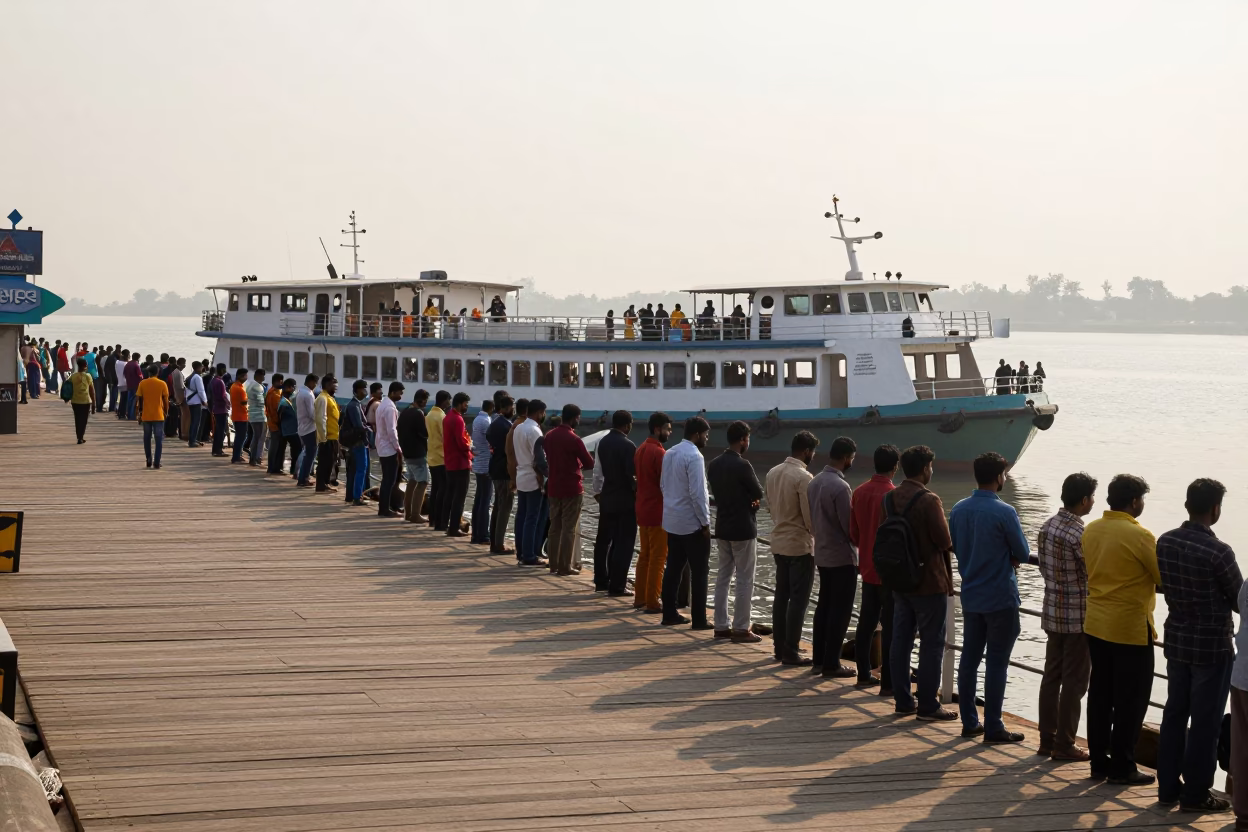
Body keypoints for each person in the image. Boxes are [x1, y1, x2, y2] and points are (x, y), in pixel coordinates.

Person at [1156, 478, 1242, 812]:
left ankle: (1167, 787)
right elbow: (1239, 599)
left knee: (1174, 714)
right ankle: (1195, 794)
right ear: (1215, 509)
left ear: (1187, 505)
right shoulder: (1219, 552)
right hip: (1212, 647)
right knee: (1206, 722)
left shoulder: (1165, 541)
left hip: (1177, 641)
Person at [1082, 473, 1159, 786]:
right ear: (1135, 501)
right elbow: (1161, 576)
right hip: (1129, 627)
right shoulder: (1140, 535)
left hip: (1096, 622)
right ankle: (1123, 766)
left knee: (1100, 695)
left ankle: (1098, 762)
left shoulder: (1091, 529)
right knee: (1131, 700)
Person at [948, 452, 1030, 743]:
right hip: (1000, 597)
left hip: (971, 595)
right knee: (997, 662)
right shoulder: (1004, 512)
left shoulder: (959, 509)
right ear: (998, 476)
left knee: (969, 660)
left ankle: (970, 721)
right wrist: (1010, 556)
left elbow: (957, 546)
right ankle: (994, 725)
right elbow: (1022, 552)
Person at [888, 445, 958, 722]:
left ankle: (903, 700)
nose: (932, 471)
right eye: (930, 466)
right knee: (931, 644)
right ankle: (928, 705)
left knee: (901, 640)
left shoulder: (890, 498)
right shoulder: (929, 500)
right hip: (929, 581)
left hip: (900, 579)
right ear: (925, 468)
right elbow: (945, 540)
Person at [1035, 472, 1097, 762]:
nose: (1093, 502)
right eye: (1092, 497)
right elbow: (1091, 573)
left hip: (1052, 610)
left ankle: (1046, 739)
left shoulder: (1047, 527)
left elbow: (1043, 568)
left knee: (1051, 676)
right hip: (1078, 617)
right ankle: (1065, 743)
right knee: (1075, 681)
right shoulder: (1080, 534)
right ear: (1084, 500)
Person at [765, 431, 819, 664]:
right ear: (806, 451)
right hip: (798, 544)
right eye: (813, 452)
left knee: (781, 596)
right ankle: (791, 650)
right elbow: (809, 518)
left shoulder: (772, 472)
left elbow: (769, 507)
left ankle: (779, 647)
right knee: (798, 600)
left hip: (778, 541)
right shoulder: (804, 477)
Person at [707, 419, 764, 643]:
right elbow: (758, 492)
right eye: (747, 439)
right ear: (742, 440)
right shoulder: (743, 465)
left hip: (722, 526)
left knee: (723, 577)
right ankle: (741, 627)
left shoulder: (714, 465)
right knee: (744, 579)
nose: (748, 443)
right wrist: (751, 501)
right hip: (743, 528)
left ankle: (721, 626)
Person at [808, 436, 859, 678]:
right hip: (841, 556)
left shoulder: (814, 482)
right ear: (847, 457)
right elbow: (849, 528)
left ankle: (819, 660)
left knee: (824, 606)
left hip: (822, 552)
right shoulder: (841, 487)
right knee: (841, 610)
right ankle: (832, 664)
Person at [849, 444, 900, 691]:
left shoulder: (859, 492)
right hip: (889, 572)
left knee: (866, 623)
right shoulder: (893, 496)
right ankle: (888, 682)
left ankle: (863, 673)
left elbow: (854, 533)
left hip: (867, 566)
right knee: (890, 627)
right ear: (895, 467)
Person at [659, 416, 712, 629]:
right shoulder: (695, 456)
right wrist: (705, 522)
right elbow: (698, 493)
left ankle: (669, 613)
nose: (706, 439)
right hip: (691, 523)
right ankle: (699, 620)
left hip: (672, 520)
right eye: (705, 435)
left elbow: (663, 485)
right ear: (697, 434)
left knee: (673, 568)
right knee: (700, 572)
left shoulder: (669, 453)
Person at [543, 404, 594, 574]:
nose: (578, 420)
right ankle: (565, 566)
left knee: (554, 526)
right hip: (572, 487)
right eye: (578, 418)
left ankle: (553, 563)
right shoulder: (574, 439)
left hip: (553, 486)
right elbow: (589, 463)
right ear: (574, 418)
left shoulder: (549, 436)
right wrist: (578, 464)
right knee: (568, 528)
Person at [593, 410, 637, 596]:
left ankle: (601, 580)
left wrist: (597, 492)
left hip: (607, 496)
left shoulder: (602, 442)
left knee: (603, 540)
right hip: (624, 499)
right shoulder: (628, 446)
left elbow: (597, 471)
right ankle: (618, 584)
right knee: (624, 542)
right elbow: (631, 475)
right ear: (627, 425)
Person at [634, 412, 672, 612]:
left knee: (645, 555)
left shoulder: (640, 449)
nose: (669, 433)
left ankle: (640, 597)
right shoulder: (659, 453)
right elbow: (666, 484)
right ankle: (653, 601)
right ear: (657, 429)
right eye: (667, 429)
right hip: (658, 510)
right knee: (658, 557)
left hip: (642, 508)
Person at [512, 399, 548, 566]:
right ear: (539, 412)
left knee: (522, 516)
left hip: (521, 474)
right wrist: (546, 475)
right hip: (533, 477)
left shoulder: (518, 427)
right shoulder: (535, 431)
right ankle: (529, 555)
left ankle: (521, 552)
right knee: (532, 518)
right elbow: (539, 459)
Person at [487, 396, 516, 554]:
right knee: (505, 507)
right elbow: (510, 451)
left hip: (495, 467)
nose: (513, 410)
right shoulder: (507, 426)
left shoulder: (494, 424)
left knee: (498, 506)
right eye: (512, 407)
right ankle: (498, 544)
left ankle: (494, 541)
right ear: (506, 408)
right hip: (504, 470)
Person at [442, 392, 474, 537]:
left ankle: (445, 523)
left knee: (449, 494)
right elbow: (462, 442)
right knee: (459, 497)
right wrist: (471, 448)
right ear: (460, 404)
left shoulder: (447, 417)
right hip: (460, 462)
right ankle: (454, 527)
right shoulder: (458, 419)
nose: (466, 407)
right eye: (465, 404)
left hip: (450, 461)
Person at [398, 389, 430, 523]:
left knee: (412, 481)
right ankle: (416, 514)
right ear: (421, 400)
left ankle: (408, 513)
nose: (426, 404)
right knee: (423, 482)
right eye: (425, 401)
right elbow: (424, 433)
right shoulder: (418, 413)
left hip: (407, 452)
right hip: (417, 452)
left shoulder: (405, 411)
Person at [374, 382, 404, 517]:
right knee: (389, 480)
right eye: (399, 393)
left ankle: (385, 507)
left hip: (382, 446)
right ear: (393, 392)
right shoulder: (390, 408)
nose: (401, 396)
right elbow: (392, 430)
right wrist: (398, 448)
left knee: (386, 479)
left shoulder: (382, 405)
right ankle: (385, 509)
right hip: (389, 448)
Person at [341, 380, 371, 505]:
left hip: (355, 442)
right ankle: (357, 496)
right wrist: (368, 429)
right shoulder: (354, 406)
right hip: (357, 442)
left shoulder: (355, 404)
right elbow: (358, 425)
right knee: (361, 469)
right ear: (358, 390)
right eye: (364, 389)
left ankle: (354, 495)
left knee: (356, 469)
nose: (365, 392)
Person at [134, 364, 169, 469]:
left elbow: (139, 400)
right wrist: (166, 412)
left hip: (146, 415)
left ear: (148, 373)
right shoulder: (162, 384)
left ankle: (148, 459)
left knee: (147, 438)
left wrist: (138, 412)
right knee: (158, 439)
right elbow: (165, 400)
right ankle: (157, 462)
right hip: (158, 415)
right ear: (158, 373)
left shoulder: (142, 383)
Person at [470, 400, 495, 544]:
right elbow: (491, 441)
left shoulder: (477, 419)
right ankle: (483, 534)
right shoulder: (486, 421)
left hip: (478, 462)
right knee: (485, 501)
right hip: (486, 463)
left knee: (479, 499)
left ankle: (476, 533)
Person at [425, 391, 450, 529]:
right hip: (441, 456)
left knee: (435, 488)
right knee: (443, 489)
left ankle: (432, 518)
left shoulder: (429, 414)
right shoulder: (441, 416)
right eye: (448, 400)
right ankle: (440, 520)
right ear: (444, 401)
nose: (449, 403)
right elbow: (445, 437)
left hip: (432, 455)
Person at [313, 375, 340, 493]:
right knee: (324, 462)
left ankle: (325, 483)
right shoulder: (322, 398)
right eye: (334, 384)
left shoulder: (330, 398)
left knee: (330, 461)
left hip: (333, 436)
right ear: (328, 385)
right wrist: (323, 437)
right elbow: (321, 419)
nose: (336, 386)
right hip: (327, 437)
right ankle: (321, 485)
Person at [294, 373, 319, 485]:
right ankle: (304, 478)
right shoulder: (308, 394)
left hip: (302, 426)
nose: (315, 386)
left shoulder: (301, 392)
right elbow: (312, 414)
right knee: (310, 454)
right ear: (311, 382)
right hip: (309, 428)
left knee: (307, 453)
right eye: (315, 383)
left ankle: (302, 477)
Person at [65, 357, 95, 444]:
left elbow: (68, 387)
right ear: (85, 366)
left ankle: (79, 437)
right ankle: (81, 437)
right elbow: (92, 391)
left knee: (77, 419)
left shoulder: (73, 376)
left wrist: (66, 397)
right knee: (84, 420)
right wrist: (94, 403)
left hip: (75, 401)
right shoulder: (88, 376)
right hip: (86, 401)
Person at [276, 378, 299, 474]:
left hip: (288, 429)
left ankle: (279, 468)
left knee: (284, 449)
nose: (294, 389)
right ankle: (293, 470)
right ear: (288, 388)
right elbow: (279, 416)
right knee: (297, 449)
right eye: (293, 387)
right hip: (289, 430)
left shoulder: (285, 400)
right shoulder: (284, 402)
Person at [245, 368, 267, 466]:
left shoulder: (250, 385)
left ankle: (253, 458)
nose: (264, 378)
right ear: (258, 376)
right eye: (263, 376)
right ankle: (253, 459)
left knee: (256, 436)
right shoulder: (258, 387)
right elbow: (261, 402)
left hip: (252, 414)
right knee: (257, 437)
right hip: (258, 415)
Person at [209, 365, 231, 457]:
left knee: (218, 430)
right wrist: (228, 404)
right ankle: (218, 450)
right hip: (221, 409)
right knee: (221, 431)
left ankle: (215, 449)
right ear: (221, 370)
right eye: (224, 370)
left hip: (216, 407)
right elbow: (223, 396)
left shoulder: (213, 380)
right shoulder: (220, 381)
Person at [229, 369, 250, 464]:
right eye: (245, 376)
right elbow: (244, 402)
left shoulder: (234, 386)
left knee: (239, 436)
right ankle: (236, 457)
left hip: (236, 415)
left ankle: (238, 455)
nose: (246, 377)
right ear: (241, 376)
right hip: (241, 416)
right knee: (241, 437)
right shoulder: (240, 389)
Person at [184, 361, 207, 448]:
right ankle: (192, 441)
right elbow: (201, 390)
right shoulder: (197, 377)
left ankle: (192, 439)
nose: (202, 369)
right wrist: (205, 401)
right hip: (196, 401)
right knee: (196, 422)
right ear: (198, 367)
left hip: (190, 401)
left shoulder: (191, 376)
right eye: (201, 367)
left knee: (193, 421)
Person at [123, 351, 142, 420]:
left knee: (129, 400)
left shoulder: (127, 364)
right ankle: (132, 416)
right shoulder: (136, 365)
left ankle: (128, 414)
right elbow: (140, 376)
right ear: (138, 358)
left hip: (129, 384)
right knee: (135, 401)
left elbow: (124, 373)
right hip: (136, 385)